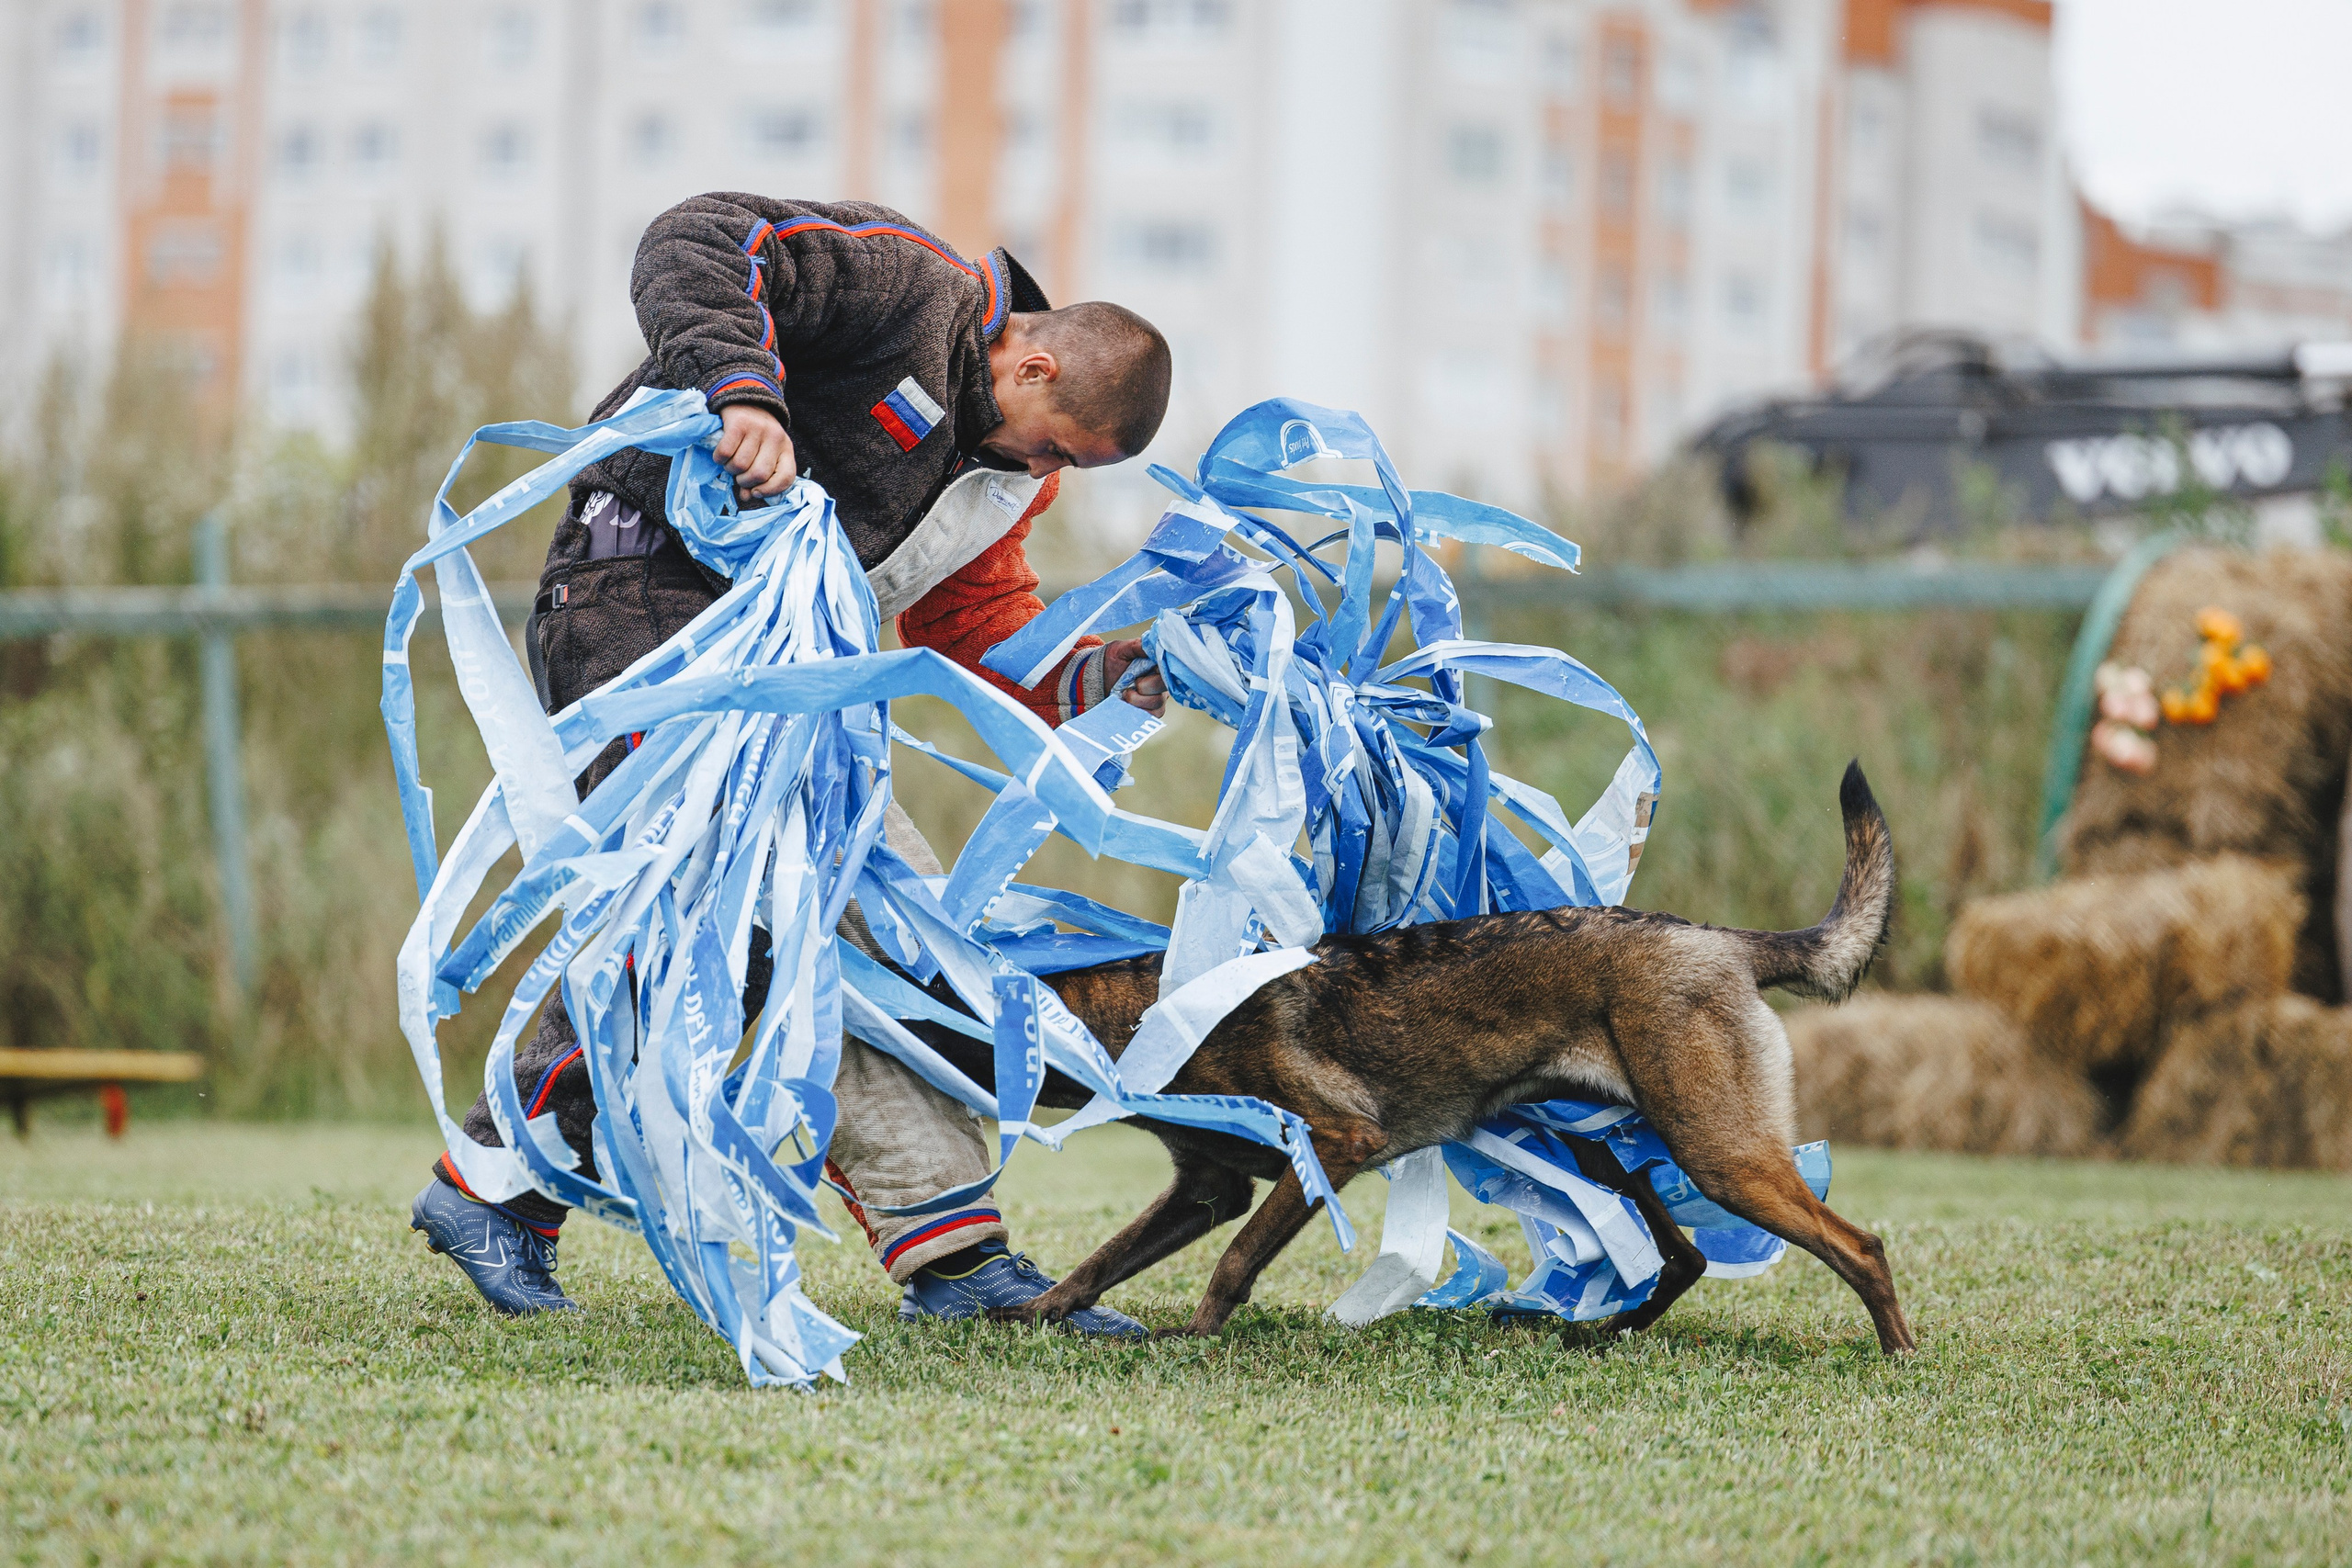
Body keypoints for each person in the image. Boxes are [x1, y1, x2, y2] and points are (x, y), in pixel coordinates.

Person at [409, 195, 1172, 1334]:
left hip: (801, 670)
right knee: (718, 911)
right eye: (1056, 443)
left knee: (901, 926)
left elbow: (981, 630)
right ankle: (494, 1189)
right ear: (1034, 362)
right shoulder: (912, 288)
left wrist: (1110, 672)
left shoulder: (1009, 474)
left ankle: (951, 1250)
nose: (1050, 469)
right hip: (641, 599)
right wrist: (745, 395)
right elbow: (695, 239)